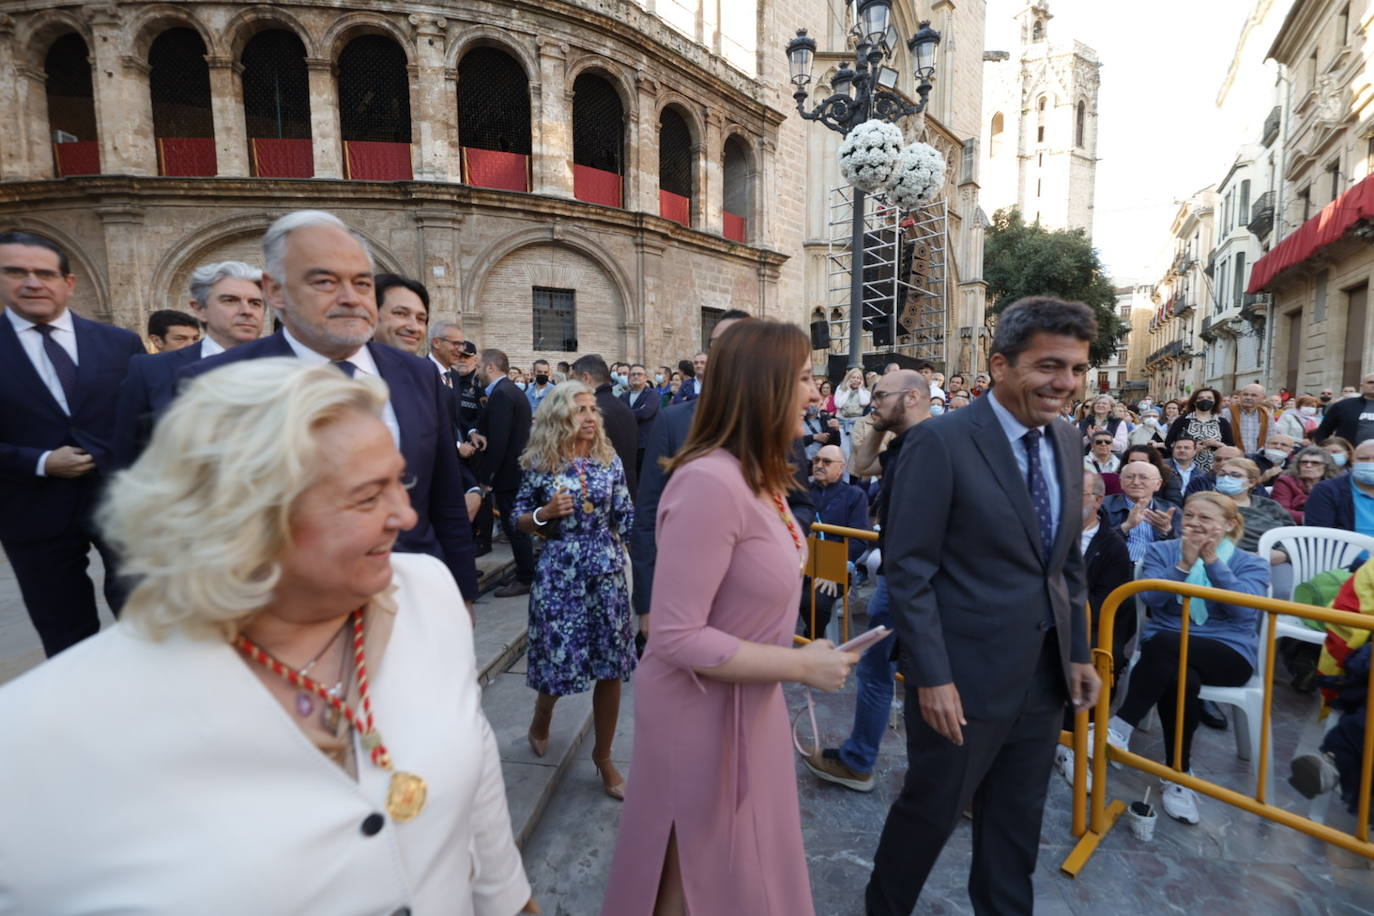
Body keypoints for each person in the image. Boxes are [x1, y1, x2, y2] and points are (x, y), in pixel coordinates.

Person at [0, 359, 534, 913]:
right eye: (367, 496)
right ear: (245, 516)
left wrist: (510, 899)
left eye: (401, 481)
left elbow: (474, 767)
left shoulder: (425, 594)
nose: (404, 515)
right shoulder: (35, 740)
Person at [603, 320, 857, 916]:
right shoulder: (709, 482)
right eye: (802, 378)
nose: (817, 391)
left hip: (746, 700)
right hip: (698, 708)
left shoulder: (759, 477)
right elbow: (676, 634)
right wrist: (799, 665)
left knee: (726, 868)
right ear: (763, 387)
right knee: (690, 870)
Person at [866, 297, 1101, 915]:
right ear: (999, 365)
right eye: (1050, 366)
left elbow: (1065, 561)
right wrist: (932, 675)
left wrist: (1076, 650)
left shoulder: (1069, 441)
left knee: (1015, 830)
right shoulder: (940, 443)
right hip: (961, 683)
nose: (1065, 384)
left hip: (1043, 678)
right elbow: (908, 570)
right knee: (929, 816)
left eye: (1077, 369)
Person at [176, 210, 480, 602]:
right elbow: (196, 524)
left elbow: (444, 497)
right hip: (282, 613)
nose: (350, 298)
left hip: (411, 596)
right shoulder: (214, 384)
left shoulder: (418, 375)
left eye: (361, 282)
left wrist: (462, 594)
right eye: (324, 281)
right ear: (275, 291)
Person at [0, 231, 145, 656]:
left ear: (69, 283)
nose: (32, 283)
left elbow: (139, 423)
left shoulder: (119, 344)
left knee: (144, 619)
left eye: (44, 273)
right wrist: (41, 461)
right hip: (32, 512)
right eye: (15, 272)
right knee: (65, 634)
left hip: (120, 506)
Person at [1105, 492, 1269, 825]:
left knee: (1165, 644)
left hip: (1227, 652)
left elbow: (1243, 612)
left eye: (1205, 518)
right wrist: (1182, 565)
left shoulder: (1251, 562)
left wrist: (1212, 563)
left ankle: (1120, 726)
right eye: (1190, 515)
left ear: (1229, 525)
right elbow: (1150, 599)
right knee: (1181, 676)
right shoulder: (1161, 550)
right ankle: (1179, 775)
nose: (1193, 523)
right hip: (1167, 651)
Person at [803, 371, 930, 793]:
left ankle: (954, 778)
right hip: (899, 578)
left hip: (921, 582)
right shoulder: (905, 444)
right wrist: (878, 423)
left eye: (880, 395)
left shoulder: (940, 443)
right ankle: (861, 760)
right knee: (881, 671)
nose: (871, 401)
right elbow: (860, 464)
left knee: (927, 678)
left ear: (912, 397)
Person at [514, 382, 635, 801]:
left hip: (605, 570)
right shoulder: (539, 462)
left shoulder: (609, 459)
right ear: (559, 417)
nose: (588, 417)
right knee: (558, 662)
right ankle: (542, 714)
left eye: (592, 410)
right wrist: (543, 515)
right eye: (579, 410)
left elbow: (627, 515)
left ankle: (603, 758)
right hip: (560, 572)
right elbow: (519, 519)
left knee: (611, 667)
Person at [114, 260, 266, 467]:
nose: (246, 310)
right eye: (230, 300)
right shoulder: (150, 370)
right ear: (200, 309)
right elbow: (125, 455)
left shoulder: (291, 367)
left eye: (255, 303)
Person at [1053, 470, 1133, 787]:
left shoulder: (1111, 546)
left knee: (1094, 658)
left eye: (1078, 494)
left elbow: (1104, 604)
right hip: (1038, 617)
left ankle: (1071, 742)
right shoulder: (1047, 531)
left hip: (1085, 627)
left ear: (1098, 500)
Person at [473, 348, 536, 597]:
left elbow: (499, 441)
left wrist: (487, 479)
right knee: (515, 525)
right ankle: (523, 570)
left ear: (490, 367)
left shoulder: (502, 394)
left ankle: (525, 577)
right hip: (515, 470)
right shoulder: (510, 391)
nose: (477, 371)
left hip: (509, 474)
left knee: (515, 526)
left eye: (479, 366)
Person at [800, 443, 870, 640]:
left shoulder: (855, 496)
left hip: (834, 566)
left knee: (814, 602)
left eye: (827, 461)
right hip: (800, 562)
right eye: (816, 460)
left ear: (842, 467)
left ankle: (816, 640)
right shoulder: (802, 491)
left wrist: (830, 567)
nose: (819, 465)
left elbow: (859, 540)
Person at [572, 354, 640, 498]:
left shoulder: (591, 413)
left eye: (574, 380)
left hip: (599, 495)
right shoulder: (624, 407)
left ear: (585, 377)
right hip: (626, 491)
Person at [1100, 461, 1182, 562]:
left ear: (1158, 484)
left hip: (1157, 568)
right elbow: (1094, 544)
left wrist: (1168, 531)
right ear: (1121, 482)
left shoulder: (1170, 510)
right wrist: (1126, 526)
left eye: (1143, 477)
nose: (1136, 482)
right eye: (1130, 477)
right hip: (1116, 565)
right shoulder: (1103, 506)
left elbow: (1183, 549)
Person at [1213, 458, 1295, 557]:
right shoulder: (1207, 505)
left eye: (1235, 475)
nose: (1226, 478)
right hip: (1231, 559)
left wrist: (1283, 553)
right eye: (1222, 474)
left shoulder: (1269, 505)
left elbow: (1292, 533)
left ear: (1251, 482)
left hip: (1276, 558)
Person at [1304, 439, 1374, 537]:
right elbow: (1320, 536)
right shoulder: (1327, 490)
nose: (1370, 463)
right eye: (1363, 459)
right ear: (1353, 461)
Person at [1165, 387, 1234, 473]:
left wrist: (1217, 444)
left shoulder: (1222, 422)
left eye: (1209, 398)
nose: (1205, 400)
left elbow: (1231, 446)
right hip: (1186, 468)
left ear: (1215, 401)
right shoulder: (1182, 420)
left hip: (1215, 469)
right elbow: (1169, 443)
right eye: (1200, 398)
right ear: (1194, 401)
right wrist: (1189, 448)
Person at [1272, 446, 1341, 523]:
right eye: (1304, 462)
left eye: (1315, 463)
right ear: (1298, 465)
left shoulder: (1335, 485)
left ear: (1326, 466)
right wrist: (1314, 518)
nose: (1308, 465)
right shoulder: (1286, 482)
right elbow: (1280, 511)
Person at [371, 273, 428, 354]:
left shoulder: (427, 366)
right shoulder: (348, 366)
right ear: (371, 316)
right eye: (401, 314)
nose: (414, 328)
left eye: (420, 319)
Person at [1313, 372, 1374, 444]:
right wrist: (1327, 450)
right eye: (1371, 382)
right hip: (1348, 453)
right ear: (1362, 385)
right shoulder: (1343, 405)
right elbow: (1323, 431)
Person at [621, 363, 660, 475]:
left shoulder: (653, 395)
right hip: (628, 443)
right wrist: (635, 412)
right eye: (633, 374)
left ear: (646, 377)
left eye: (639, 374)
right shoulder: (623, 396)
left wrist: (626, 414)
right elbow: (618, 415)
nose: (636, 377)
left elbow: (645, 413)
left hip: (645, 445)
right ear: (629, 378)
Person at [1120, 443, 1183, 507]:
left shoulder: (1168, 476)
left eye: (1143, 461)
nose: (1137, 464)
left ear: (1152, 462)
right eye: (1133, 461)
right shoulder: (1119, 477)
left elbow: (1175, 503)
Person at [1227, 383, 1271, 454]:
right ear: (1240, 396)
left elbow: (1270, 438)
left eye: (1254, 395)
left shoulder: (1266, 415)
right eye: (1245, 394)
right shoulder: (1228, 412)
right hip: (1232, 457)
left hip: (1258, 458)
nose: (1248, 397)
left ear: (1263, 398)